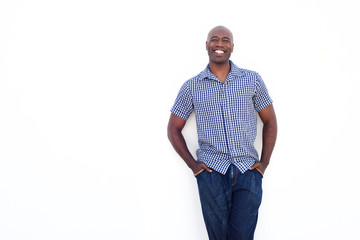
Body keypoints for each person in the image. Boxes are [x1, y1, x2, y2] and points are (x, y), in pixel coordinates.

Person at [167, 26, 277, 240]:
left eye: (225, 40)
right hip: (211, 173)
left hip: (248, 172)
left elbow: (270, 121)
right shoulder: (192, 86)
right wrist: (194, 165)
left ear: (232, 47)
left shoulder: (252, 80)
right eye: (214, 39)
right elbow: (173, 129)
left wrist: (264, 163)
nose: (219, 43)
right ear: (207, 45)